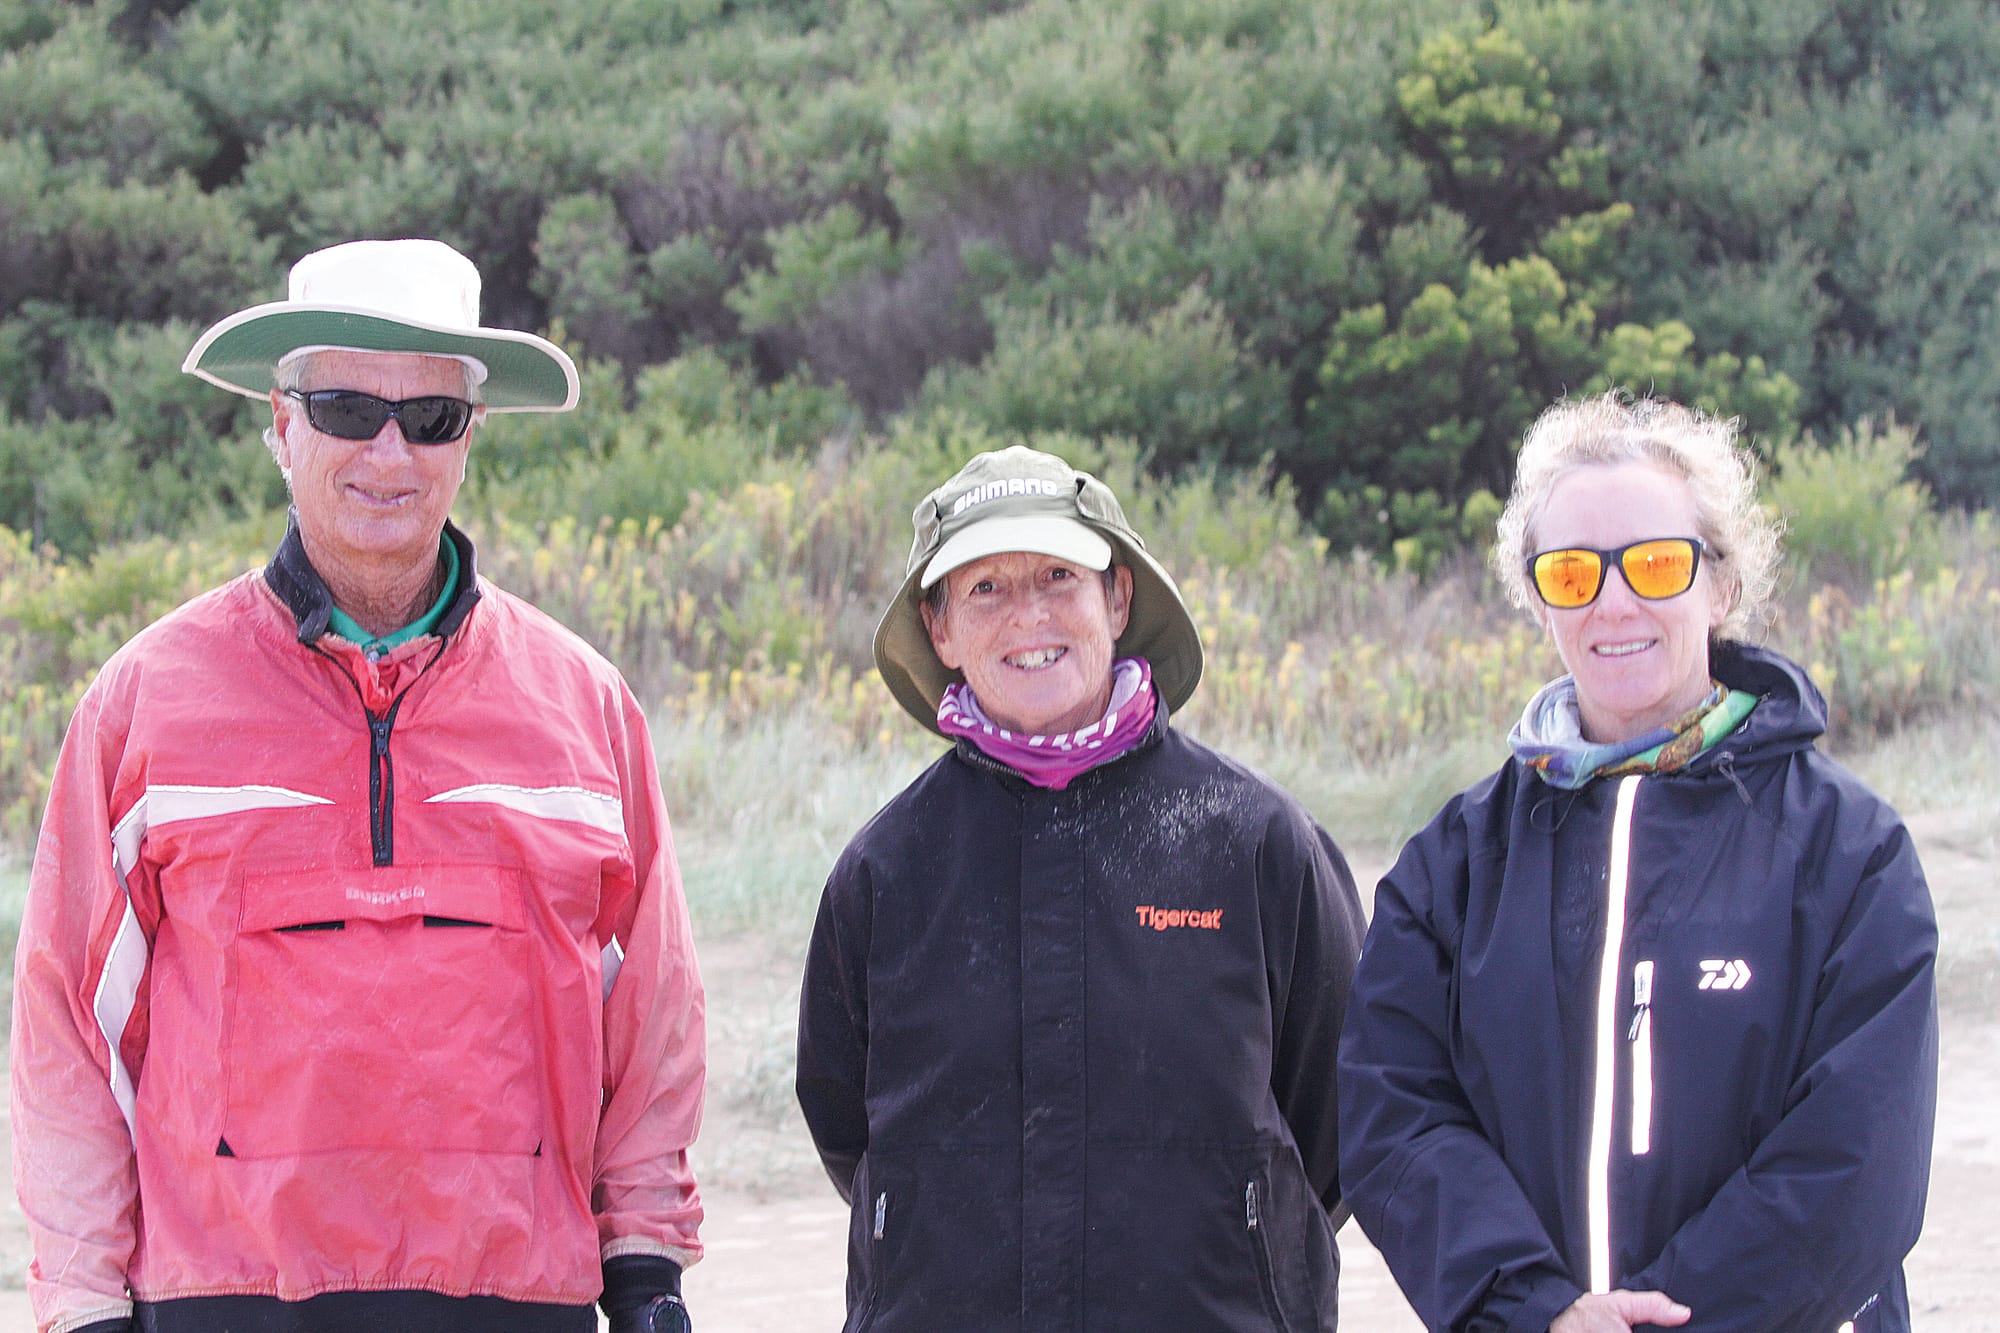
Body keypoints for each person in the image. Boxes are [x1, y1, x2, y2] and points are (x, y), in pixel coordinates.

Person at [11, 239, 704, 1333]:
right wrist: (85, 1301)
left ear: (470, 437)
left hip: (519, 1303)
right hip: (224, 1307)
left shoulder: (586, 705)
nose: (389, 450)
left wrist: (647, 1269)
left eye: (429, 416)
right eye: (344, 408)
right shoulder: (143, 702)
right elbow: (68, 1028)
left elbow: (651, 1014)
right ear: (281, 424)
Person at [1337, 393, 1937, 1333]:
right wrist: (1538, 1308)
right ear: (1539, 599)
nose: (1614, 602)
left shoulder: (1851, 854)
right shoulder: (1450, 871)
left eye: (1657, 564)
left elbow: (1862, 1156)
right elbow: (1395, 1115)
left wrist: (1673, 1321)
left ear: (1720, 585)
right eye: (1573, 573)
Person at [796, 445, 1367, 1330]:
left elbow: (1336, 1115)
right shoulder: (886, 870)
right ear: (940, 629)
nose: (1028, 614)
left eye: (1059, 575)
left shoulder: (1255, 840)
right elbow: (845, 1123)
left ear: (1118, 599)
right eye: (985, 587)